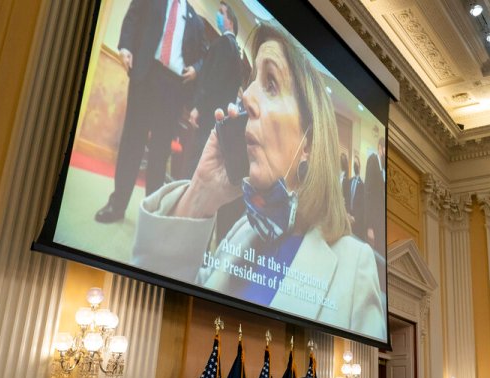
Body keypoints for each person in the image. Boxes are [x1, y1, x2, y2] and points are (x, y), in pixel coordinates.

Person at [132, 22, 385, 340]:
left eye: (271, 84)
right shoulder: (244, 229)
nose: (245, 96)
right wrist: (200, 194)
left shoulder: (355, 264)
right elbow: (157, 319)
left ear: (307, 145)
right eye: (250, 83)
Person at [95, 0, 206, 223]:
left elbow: (204, 55)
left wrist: (197, 68)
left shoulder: (196, 21)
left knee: (160, 151)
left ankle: (151, 213)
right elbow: (133, 17)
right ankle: (117, 205)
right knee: (132, 142)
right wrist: (125, 46)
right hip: (146, 75)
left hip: (174, 87)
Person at [186, 0, 243, 178]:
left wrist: (198, 107)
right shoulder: (237, 53)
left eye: (221, 12)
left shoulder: (223, 44)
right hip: (220, 119)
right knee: (205, 159)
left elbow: (212, 81)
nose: (218, 15)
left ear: (230, 22)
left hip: (208, 112)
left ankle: (184, 197)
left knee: (195, 160)